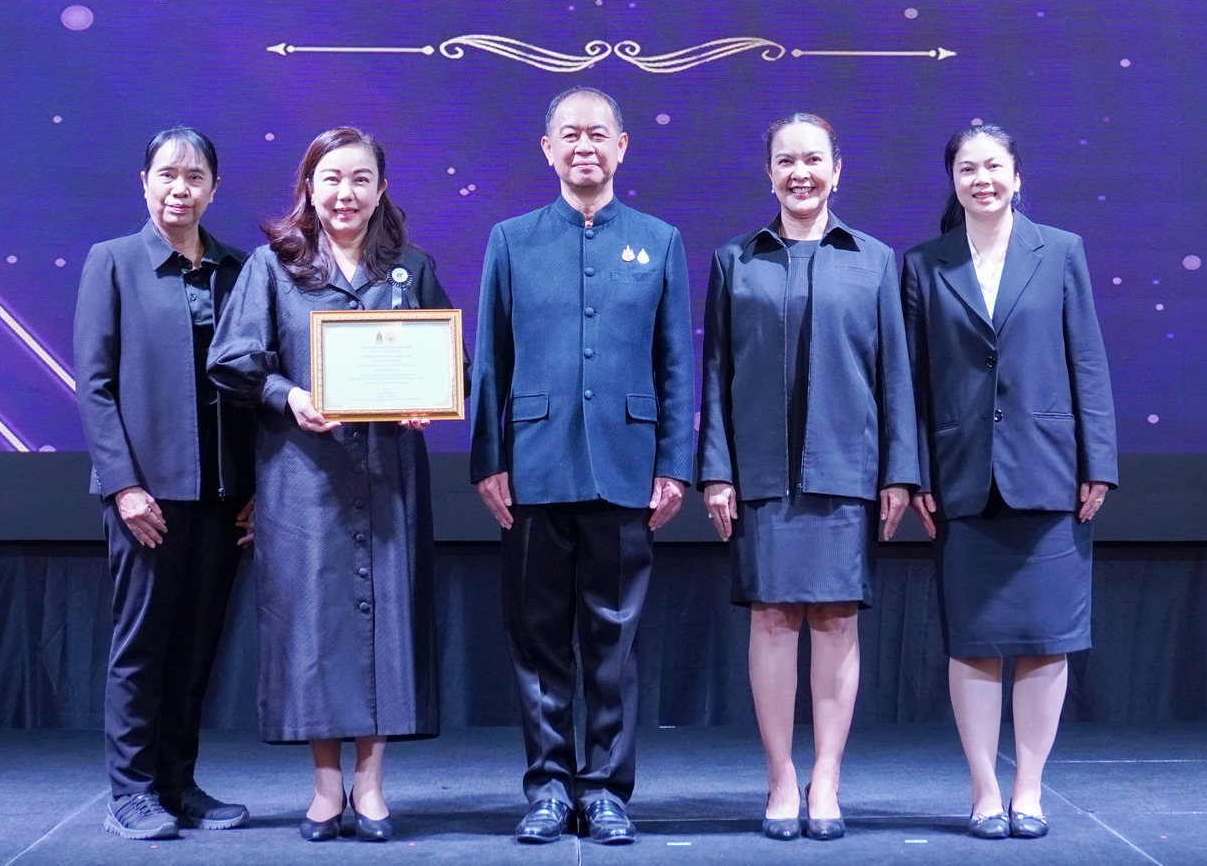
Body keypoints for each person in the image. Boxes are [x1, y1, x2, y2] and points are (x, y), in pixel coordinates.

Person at [470, 87, 694, 847]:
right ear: (548, 149)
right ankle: (547, 787)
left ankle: (604, 791)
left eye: (598, 134)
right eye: (570, 134)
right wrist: (488, 459)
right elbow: (490, 361)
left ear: (623, 146)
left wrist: (674, 465)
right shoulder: (512, 239)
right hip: (533, 467)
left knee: (614, 642)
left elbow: (675, 363)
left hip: (627, 468)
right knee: (538, 641)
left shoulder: (659, 240)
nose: (584, 146)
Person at [209, 127, 446, 843]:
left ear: (382, 188)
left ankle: (370, 785)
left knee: (385, 624)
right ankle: (323, 787)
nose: (346, 193)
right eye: (332, 178)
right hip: (304, 474)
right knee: (314, 625)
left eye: (361, 179)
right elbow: (234, 358)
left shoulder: (409, 266)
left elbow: (451, 361)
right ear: (309, 187)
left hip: (387, 471)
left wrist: (428, 397)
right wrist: (288, 395)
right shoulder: (273, 266)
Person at [697, 112, 922, 841]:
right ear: (769, 172)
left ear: (837, 169)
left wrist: (900, 472)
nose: (801, 172)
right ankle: (781, 779)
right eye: (786, 160)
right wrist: (716, 472)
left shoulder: (874, 259)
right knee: (770, 618)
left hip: (846, 469)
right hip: (761, 473)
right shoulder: (736, 259)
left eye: (814, 159)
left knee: (834, 619)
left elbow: (896, 376)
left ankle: (826, 778)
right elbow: (715, 373)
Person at [900, 123, 1117, 841]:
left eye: (993, 166)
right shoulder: (924, 263)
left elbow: (1087, 360)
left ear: (1017, 176)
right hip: (961, 475)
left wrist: (1099, 462)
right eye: (968, 168)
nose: (982, 179)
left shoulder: (1061, 251)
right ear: (953, 180)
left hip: (1049, 472)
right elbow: (911, 381)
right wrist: (913, 471)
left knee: (1046, 638)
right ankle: (984, 791)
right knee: (973, 640)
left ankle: (1029, 789)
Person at [75, 127, 253, 841]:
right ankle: (131, 791)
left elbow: (253, 381)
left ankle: (178, 785)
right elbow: (94, 385)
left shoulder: (238, 268)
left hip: (223, 496)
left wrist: (256, 486)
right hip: (147, 497)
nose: (181, 188)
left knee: (197, 647)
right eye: (168, 175)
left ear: (214, 188)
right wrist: (123, 486)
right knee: (142, 647)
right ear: (144, 182)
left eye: (195, 176)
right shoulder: (113, 261)